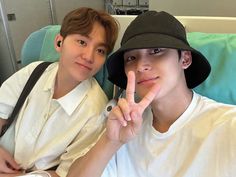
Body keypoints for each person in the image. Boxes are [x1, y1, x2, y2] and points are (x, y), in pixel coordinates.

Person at [67, 10, 236, 177]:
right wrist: (111, 142)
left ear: (185, 59)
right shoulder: (123, 127)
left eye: (156, 51)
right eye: (131, 58)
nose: (141, 66)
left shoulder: (226, 125)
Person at [0, 7, 118, 177]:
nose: (89, 56)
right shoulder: (34, 72)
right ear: (59, 43)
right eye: (82, 42)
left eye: (100, 51)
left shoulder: (95, 111)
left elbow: (66, 173)